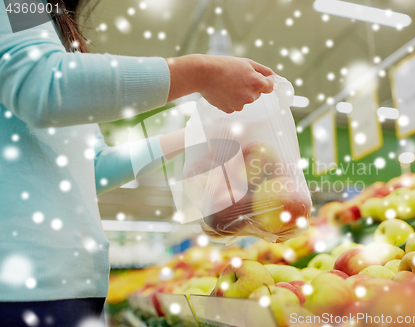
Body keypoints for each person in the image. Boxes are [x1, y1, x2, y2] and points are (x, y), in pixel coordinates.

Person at [0, 0, 274, 326]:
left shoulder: (53, 31)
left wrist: (191, 136)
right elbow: (42, 80)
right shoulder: (22, 6)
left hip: (74, 287)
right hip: (20, 286)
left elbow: (94, 166)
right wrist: (200, 72)